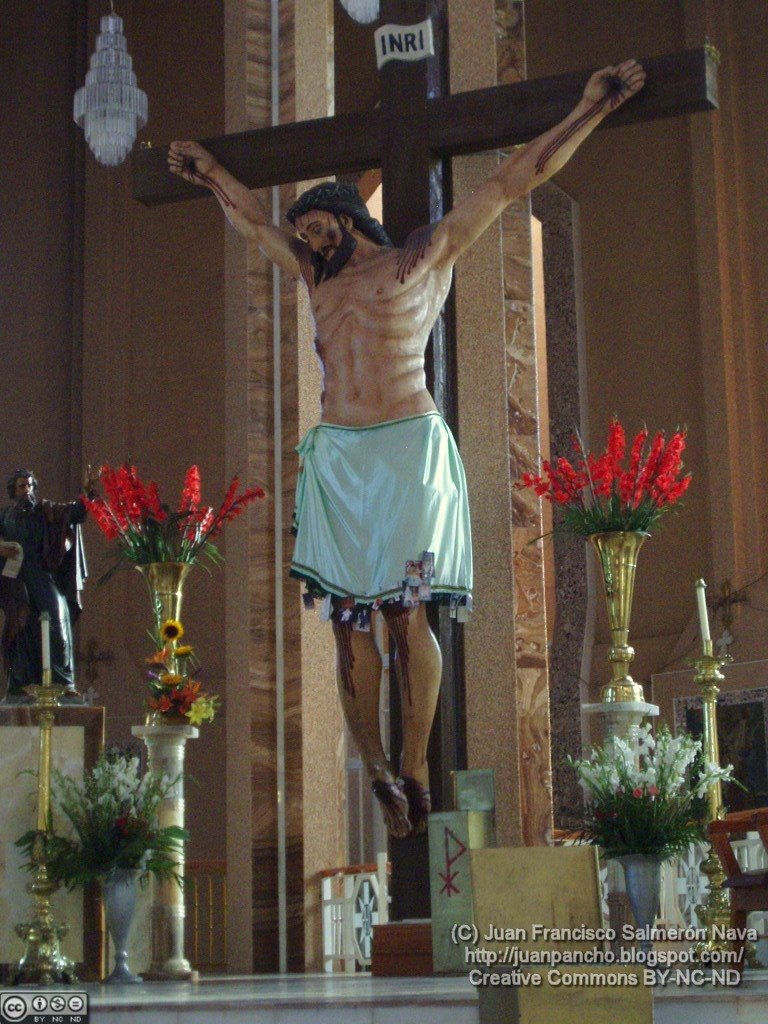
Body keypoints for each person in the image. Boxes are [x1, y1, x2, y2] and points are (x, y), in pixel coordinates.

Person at [169, 60, 645, 837]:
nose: (302, 235)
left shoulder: (420, 259)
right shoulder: (314, 282)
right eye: (301, 232)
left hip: (408, 452)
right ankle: (380, 771)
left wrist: (589, 108)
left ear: (343, 214)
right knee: (346, 625)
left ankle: (415, 758)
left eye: (313, 224)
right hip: (340, 463)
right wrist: (212, 173)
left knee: (407, 614)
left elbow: (516, 180)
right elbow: (253, 225)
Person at [0, 466, 100, 704]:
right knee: (21, 628)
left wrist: (87, 491)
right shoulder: (5, 517)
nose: (28, 490)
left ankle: (63, 683)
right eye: (22, 486)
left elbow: (75, 514)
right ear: (13, 491)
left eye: (31, 485)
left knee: (58, 617)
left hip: (43, 576)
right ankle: (21, 685)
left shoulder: (45, 511)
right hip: (18, 582)